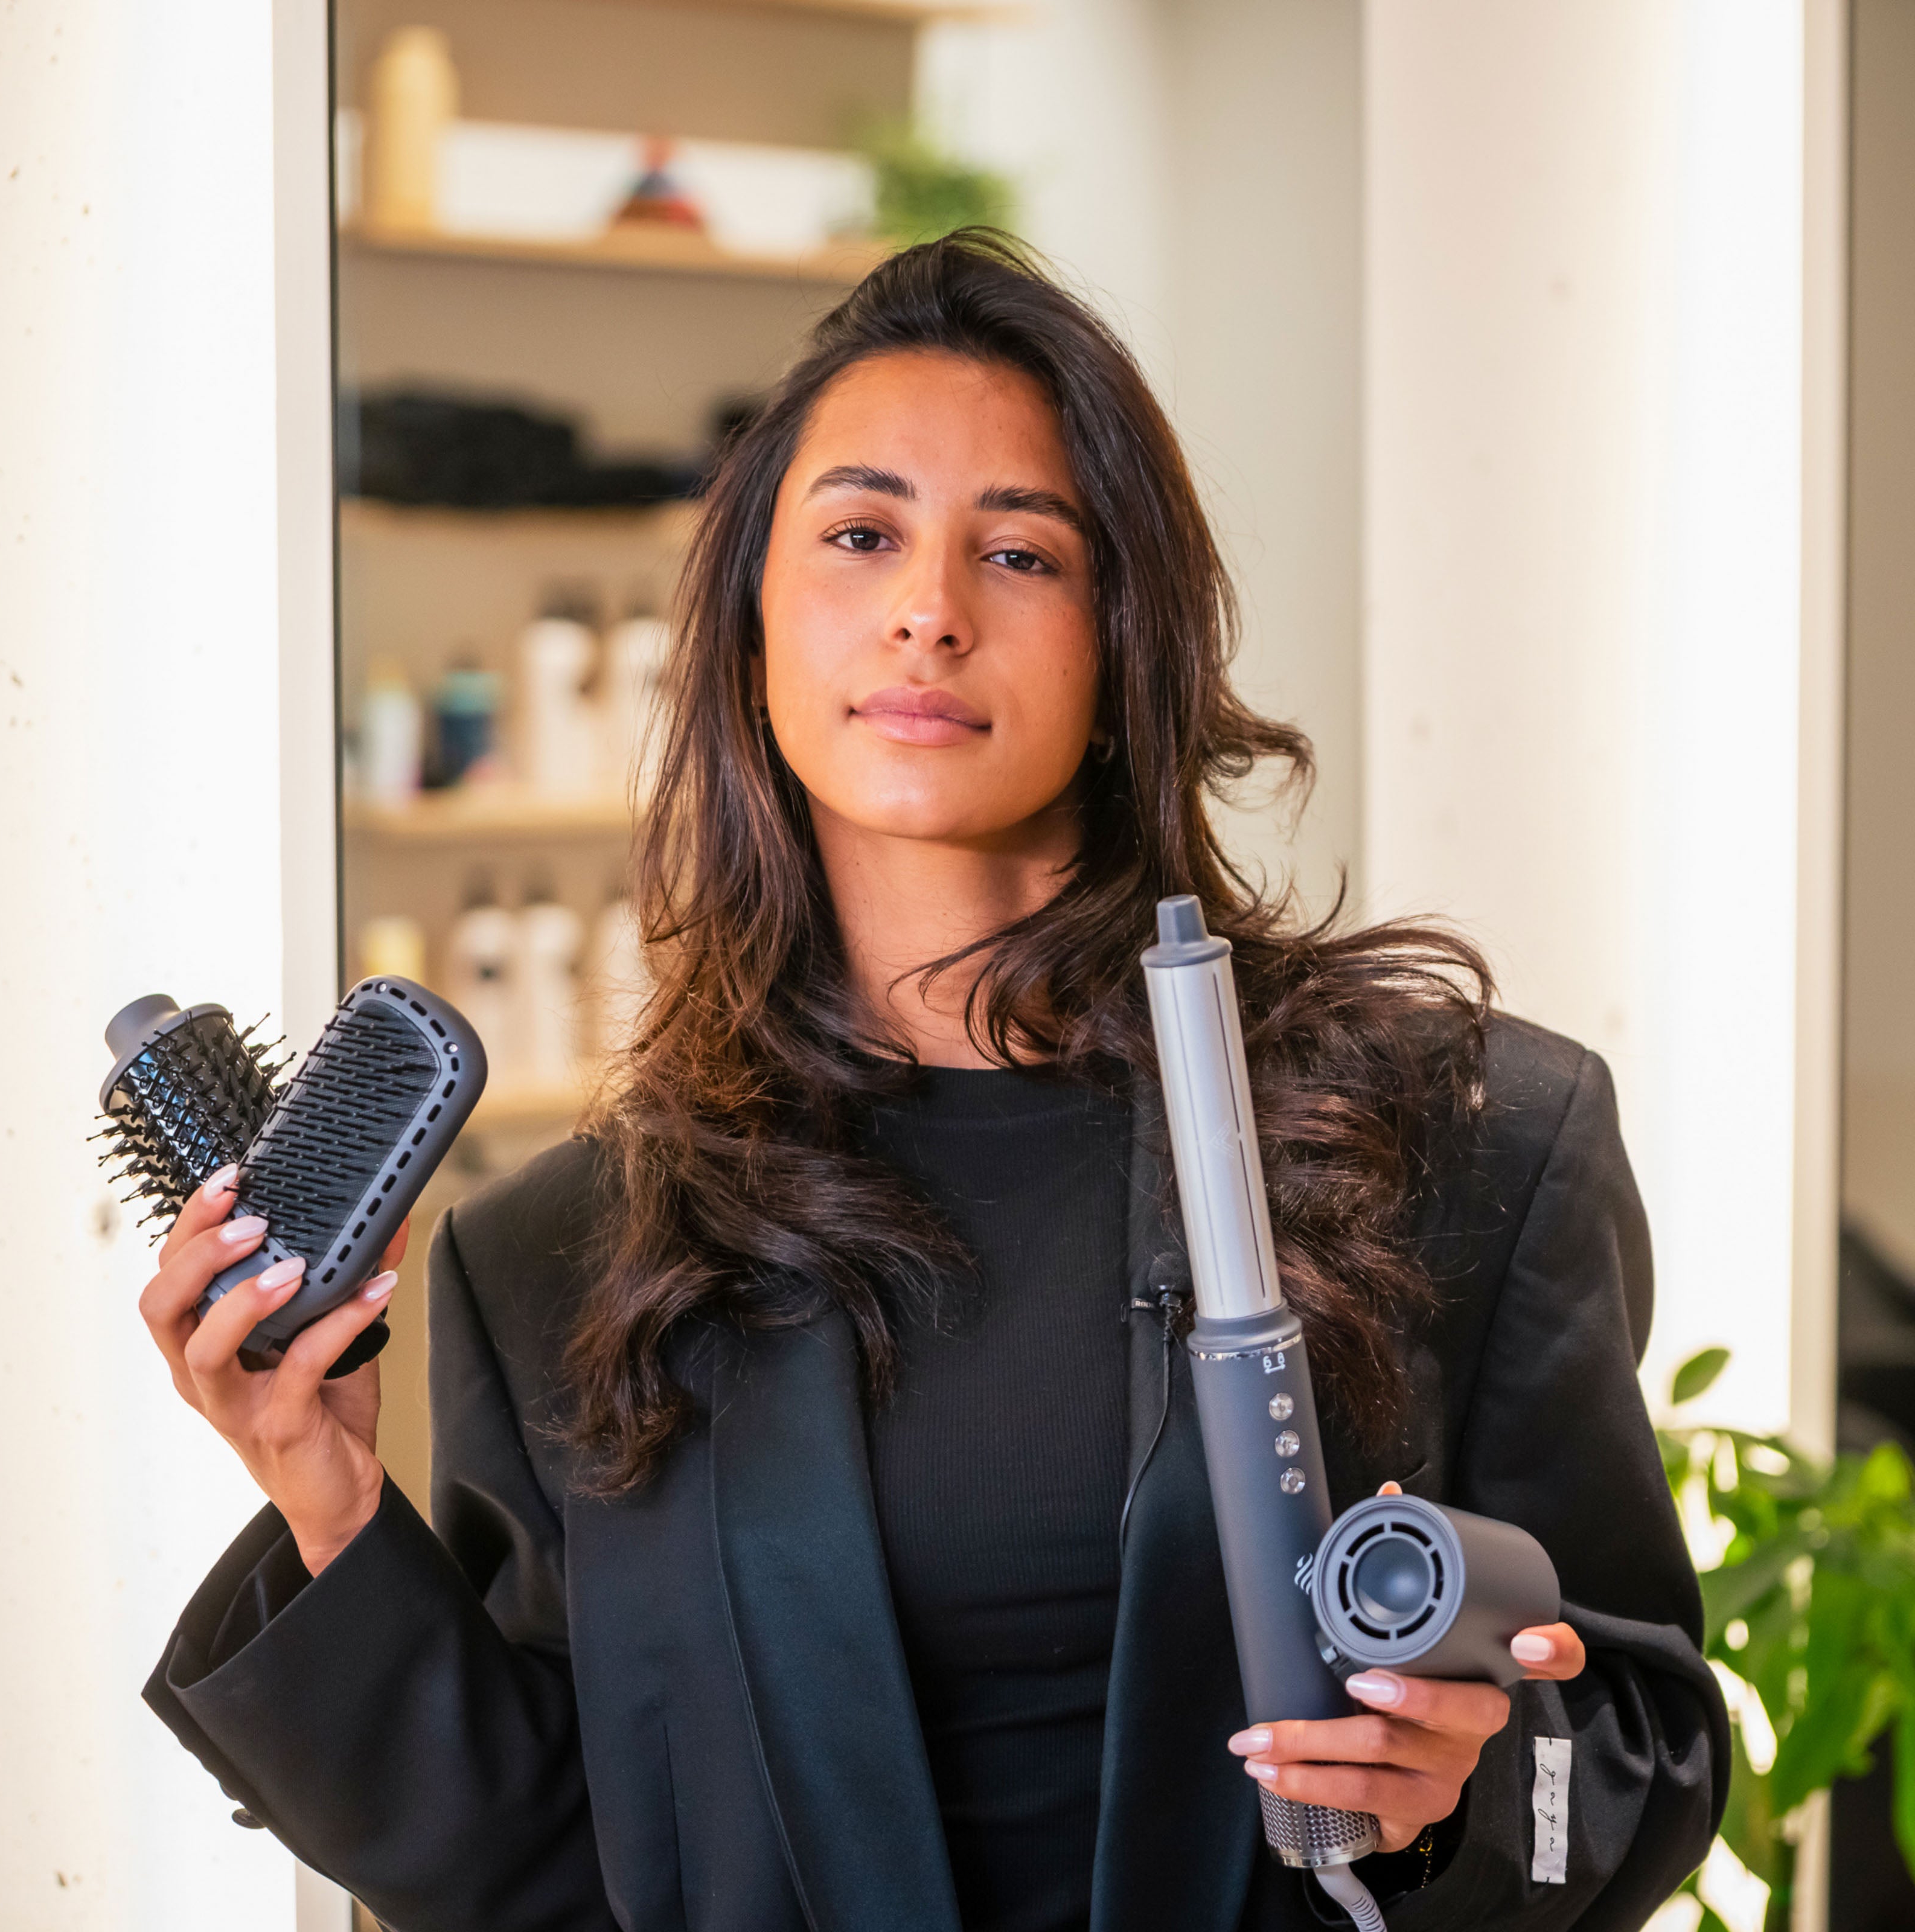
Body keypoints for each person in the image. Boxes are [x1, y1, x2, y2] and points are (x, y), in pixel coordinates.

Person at [139, 232, 1725, 1931]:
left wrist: (1448, 1801)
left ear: (1125, 646)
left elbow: (1649, 1762)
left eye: (1021, 552)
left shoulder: (1460, 1143)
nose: (929, 610)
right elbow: (562, 1880)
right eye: (861, 534)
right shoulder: (560, 1265)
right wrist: (327, 1504)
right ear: (749, 624)